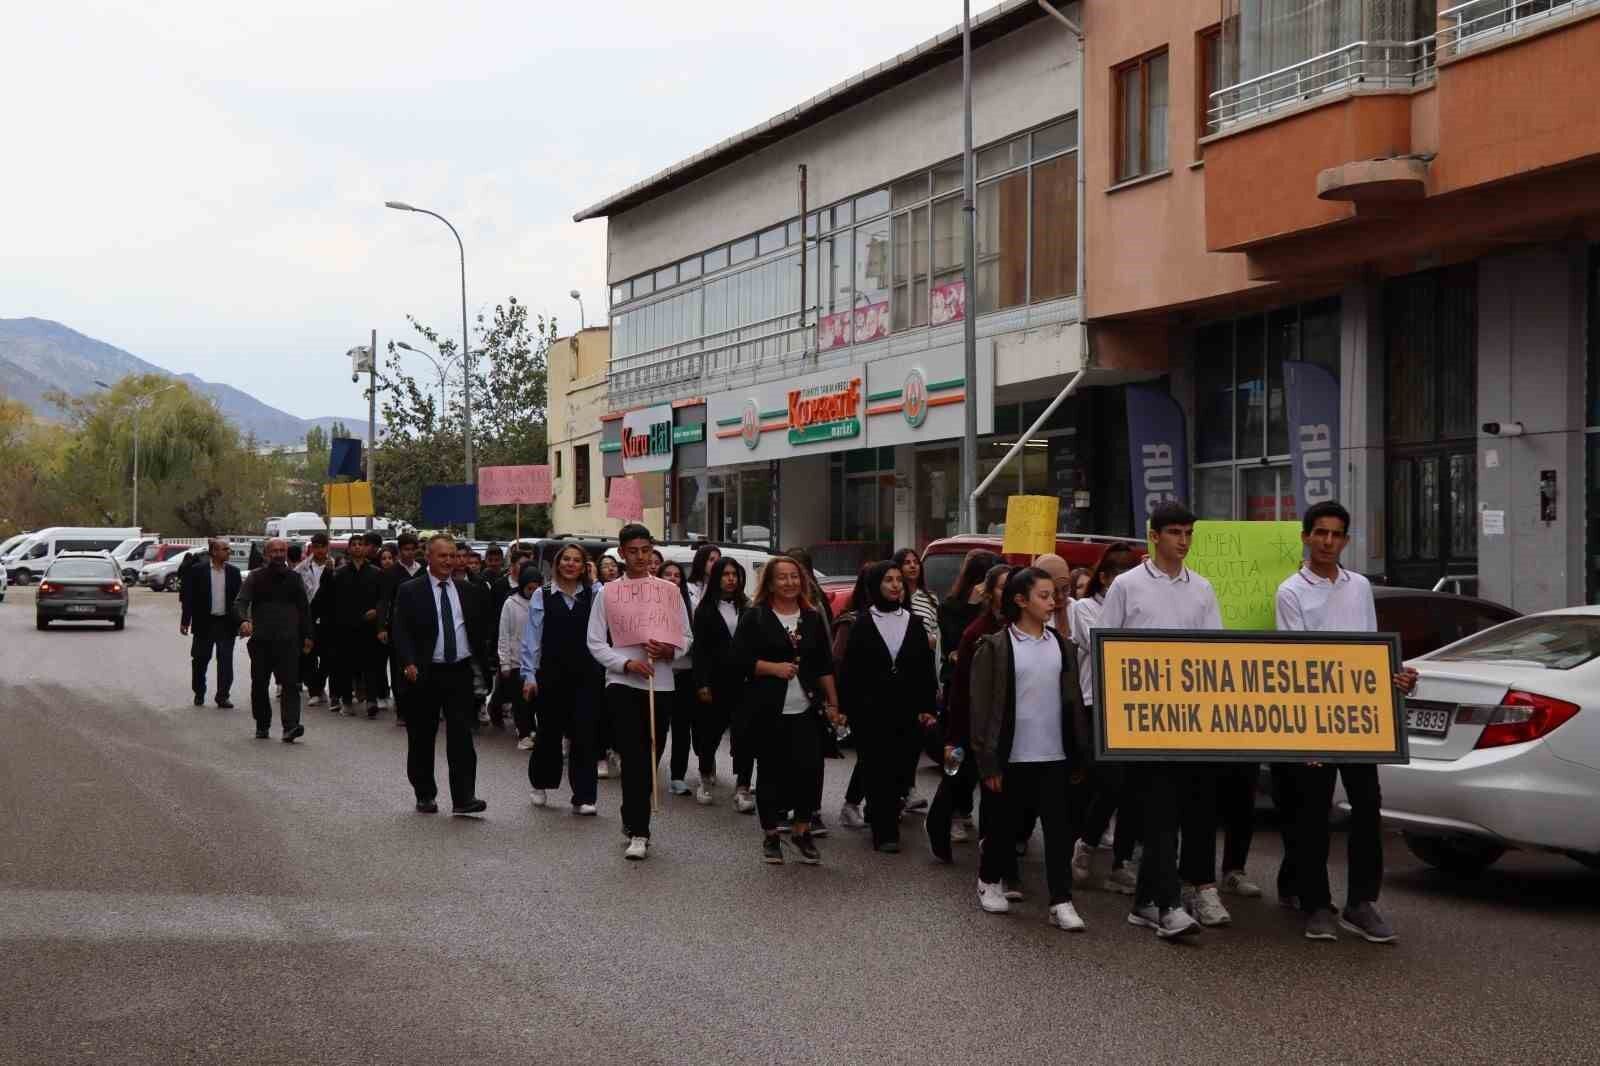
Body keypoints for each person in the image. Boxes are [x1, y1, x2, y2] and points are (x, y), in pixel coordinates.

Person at [1274, 500, 1418, 944]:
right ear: (1305, 536)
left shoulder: (1359, 587)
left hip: (1361, 720)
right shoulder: (1291, 592)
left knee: (1366, 808)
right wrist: (1307, 734)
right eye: (1320, 533)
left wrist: (1396, 677)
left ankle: (1361, 903)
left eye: (1336, 535)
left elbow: (1371, 648)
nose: (1327, 542)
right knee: (1314, 814)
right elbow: (1295, 666)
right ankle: (1317, 904)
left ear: (1346, 541)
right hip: (1316, 720)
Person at [1097, 502, 1219, 940]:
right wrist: (1105, 717)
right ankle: (1168, 905)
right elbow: (1103, 649)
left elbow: (1214, 655)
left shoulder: (1203, 588)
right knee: (1159, 808)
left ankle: (1146, 902)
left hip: (1188, 721)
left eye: (1188, 532)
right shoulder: (1127, 586)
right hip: (1138, 721)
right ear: (1154, 536)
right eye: (1174, 533)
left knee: (1171, 810)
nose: (1183, 541)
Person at [969, 567, 1091, 931]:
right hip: (1011, 757)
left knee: (1058, 832)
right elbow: (981, 708)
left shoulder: (1062, 646)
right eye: (1043, 595)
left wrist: (1079, 751)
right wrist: (988, 763)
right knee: (1004, 827)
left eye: (1054, 595)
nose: (1052, 601)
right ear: (1020, 600)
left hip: (1054, 756)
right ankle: (989, 880)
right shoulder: (995, 646)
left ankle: (1061, 900)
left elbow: (1072, 703)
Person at [585, 524, 693, 860]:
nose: (640, 557)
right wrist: (625, 665)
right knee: (633, 756)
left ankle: (630, 812)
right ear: (621, 553)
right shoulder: (608, 593)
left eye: (646, 550)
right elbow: (595, 642)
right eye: (633, 551)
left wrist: (670, 652)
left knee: (652, 755)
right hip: (622, 684)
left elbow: (687, 637)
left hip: (660, 685)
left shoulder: (668, 592)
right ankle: (639, 829)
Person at [734, 555, 840, 865]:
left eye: (794, 576)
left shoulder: (810, 616)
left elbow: (823, 665)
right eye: (782, 577)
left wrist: (834, 703)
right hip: (767, 709)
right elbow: (737, 660)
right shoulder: (755, 617)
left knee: (809, 771)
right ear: (770, 582)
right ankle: (770, 835)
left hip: (806, 708)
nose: (789, 582)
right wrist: (771, 668)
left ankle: (802, 830)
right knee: (771, 773)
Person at [838, 560, 937, 853]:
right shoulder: (863, 622)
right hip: (870, 709)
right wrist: (844, 707)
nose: (895, 585)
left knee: (900, 767)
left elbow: (924, 668)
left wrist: (927, 704)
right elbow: (850, 669)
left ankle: (883, 813)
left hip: (905, 708)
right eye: (888, 580)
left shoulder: (914, 622)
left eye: (898, 580)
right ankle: (885, 831)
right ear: (876, 586)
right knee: (875, 765)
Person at [391, 533, 490, 816]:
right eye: (442, 555)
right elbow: (401, 629)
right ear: (429, 558)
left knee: (462, 736)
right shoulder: (411, 590)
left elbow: (479, 631)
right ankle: (425, 793)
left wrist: (484, 665)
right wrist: (408, 662)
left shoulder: (468, 590)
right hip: (423, 673)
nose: (449, 561)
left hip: (458, 671)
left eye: (452, 555)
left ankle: (463, 798)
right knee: (422, 736)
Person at [1066, 542, 1143, 894]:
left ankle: (1121, 862)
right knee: (1109, 781)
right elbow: (1099, 642)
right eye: (1121, 577)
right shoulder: (1083, 608)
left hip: (1136, 702)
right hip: (1096, 700)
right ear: (1105, 577)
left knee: (1132, 788)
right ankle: (1086, 845)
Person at [925, 563, 1011, 863]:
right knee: (960, 777)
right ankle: (938, 822)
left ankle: (996, 847)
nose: (1011, 592)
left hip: (1005, 725)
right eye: (1003, 586)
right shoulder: (977, 632)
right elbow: (961, 689)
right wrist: (955, 736)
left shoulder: (1019, 627)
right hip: (975, 723)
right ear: (989, 594)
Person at [522, 543, 603, 815]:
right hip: (552, 674)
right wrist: (529, 675)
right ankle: (541, 783)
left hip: (586, 674)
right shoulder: (542, 596)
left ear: (584, 566)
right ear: (557, 564)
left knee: (584, 734)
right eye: (565, 559)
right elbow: (532, 640)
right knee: (549, 732)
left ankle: (584, 795)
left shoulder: (596, 593)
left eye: (576, 560)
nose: (570, 564)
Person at [236, 538, 313, 742]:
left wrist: (308, 635)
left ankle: (291, 727)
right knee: (260, 684)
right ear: (266, 554)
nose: (278, 554)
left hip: (288, 641)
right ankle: (262, 724)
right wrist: (244, 620)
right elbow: (241, 602)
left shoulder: (294, 578)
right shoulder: (255, 577)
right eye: (274, 551)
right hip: (261, 641)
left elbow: (304, 609)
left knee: (290, 684)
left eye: (282, 550)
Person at [691, 556, 748, 807]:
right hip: (715, 681)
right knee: (710, 734)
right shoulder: (705, 609)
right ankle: (704, 777)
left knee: (745, 735)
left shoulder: (748, 607)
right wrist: (702, 683)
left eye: (734, 574)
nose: (730, 579)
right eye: (725, 574)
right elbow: (700, 650)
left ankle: (743, 786)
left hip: (745, 681)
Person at [179, 537, 242, 709]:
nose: (229, 552)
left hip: (226, 624)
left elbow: (240, 601)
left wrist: (243, 622)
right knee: (200, 660)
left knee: (225, 661)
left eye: (229, 549)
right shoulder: (197, 571)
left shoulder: (234, 573)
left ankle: (222, 696)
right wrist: (186, 621)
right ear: (214, 552)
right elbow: (189, 598)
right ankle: (199, 691)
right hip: (204, 623)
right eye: (225, 549)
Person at [657, 561, 701, 797]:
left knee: (682, 729)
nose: (673, 578)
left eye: (677, 576)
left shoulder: (690, 604)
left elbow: (692, 637)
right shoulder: (650, 603)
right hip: (658, 672)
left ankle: (677, 776)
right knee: (658, 728)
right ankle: (648, 773)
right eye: (668, 574)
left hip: (684, 672)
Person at [377, 531, 423, 727]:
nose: (409, 553)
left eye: (413, 549)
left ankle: (421, 705)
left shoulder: (424, 570)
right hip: (399, 626)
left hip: (421, 627)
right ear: (399, 550)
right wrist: (381, 627)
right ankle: (402, 710)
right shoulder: (391, 573)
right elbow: (384, 601)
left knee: (422, 666)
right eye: (405, 549)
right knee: (400, 668)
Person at [499, 564, 540, 751]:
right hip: (517, 661)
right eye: (529, 588)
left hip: (538, 660)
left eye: (536, 588)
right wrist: (504, 662)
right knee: (521, 701)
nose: (532, 592)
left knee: (536, 700)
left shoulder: (543, 603)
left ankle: (534, 730)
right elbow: (504, 634)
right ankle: (524, 733)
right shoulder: (511, 603)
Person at [297, 532, 334, 707]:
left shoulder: (336, 566)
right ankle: (314, 691)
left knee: (328, 657)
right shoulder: (301, 568)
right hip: (308, 616)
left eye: (323, 546)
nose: (320, 550)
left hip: (329, 618)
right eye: (316, 547)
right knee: (309, 656)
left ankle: (319, 686)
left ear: (328, 547)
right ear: (312, 548)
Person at [686, 544, 721, 609]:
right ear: (701, 561)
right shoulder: (687, 588)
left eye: (718, 560)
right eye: (711, 560)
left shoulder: (721, 588)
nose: (716, 564)